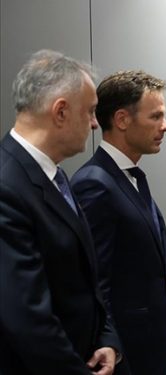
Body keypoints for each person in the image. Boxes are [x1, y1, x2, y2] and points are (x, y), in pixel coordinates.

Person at [0, 49, 121, 374]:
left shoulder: (54, 175)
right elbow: (25, 316)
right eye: (92, 112)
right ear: (61, 112)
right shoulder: (6, 186)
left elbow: (86, 278)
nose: (96, 124)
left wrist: (108, 339)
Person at [70, 70, 166, 375]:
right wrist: (113, 348)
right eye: (156, 116)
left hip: (148, 351)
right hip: (123, 357)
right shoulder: (94, 183)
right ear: (122, 120)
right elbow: (94, 283)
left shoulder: (132, 178)